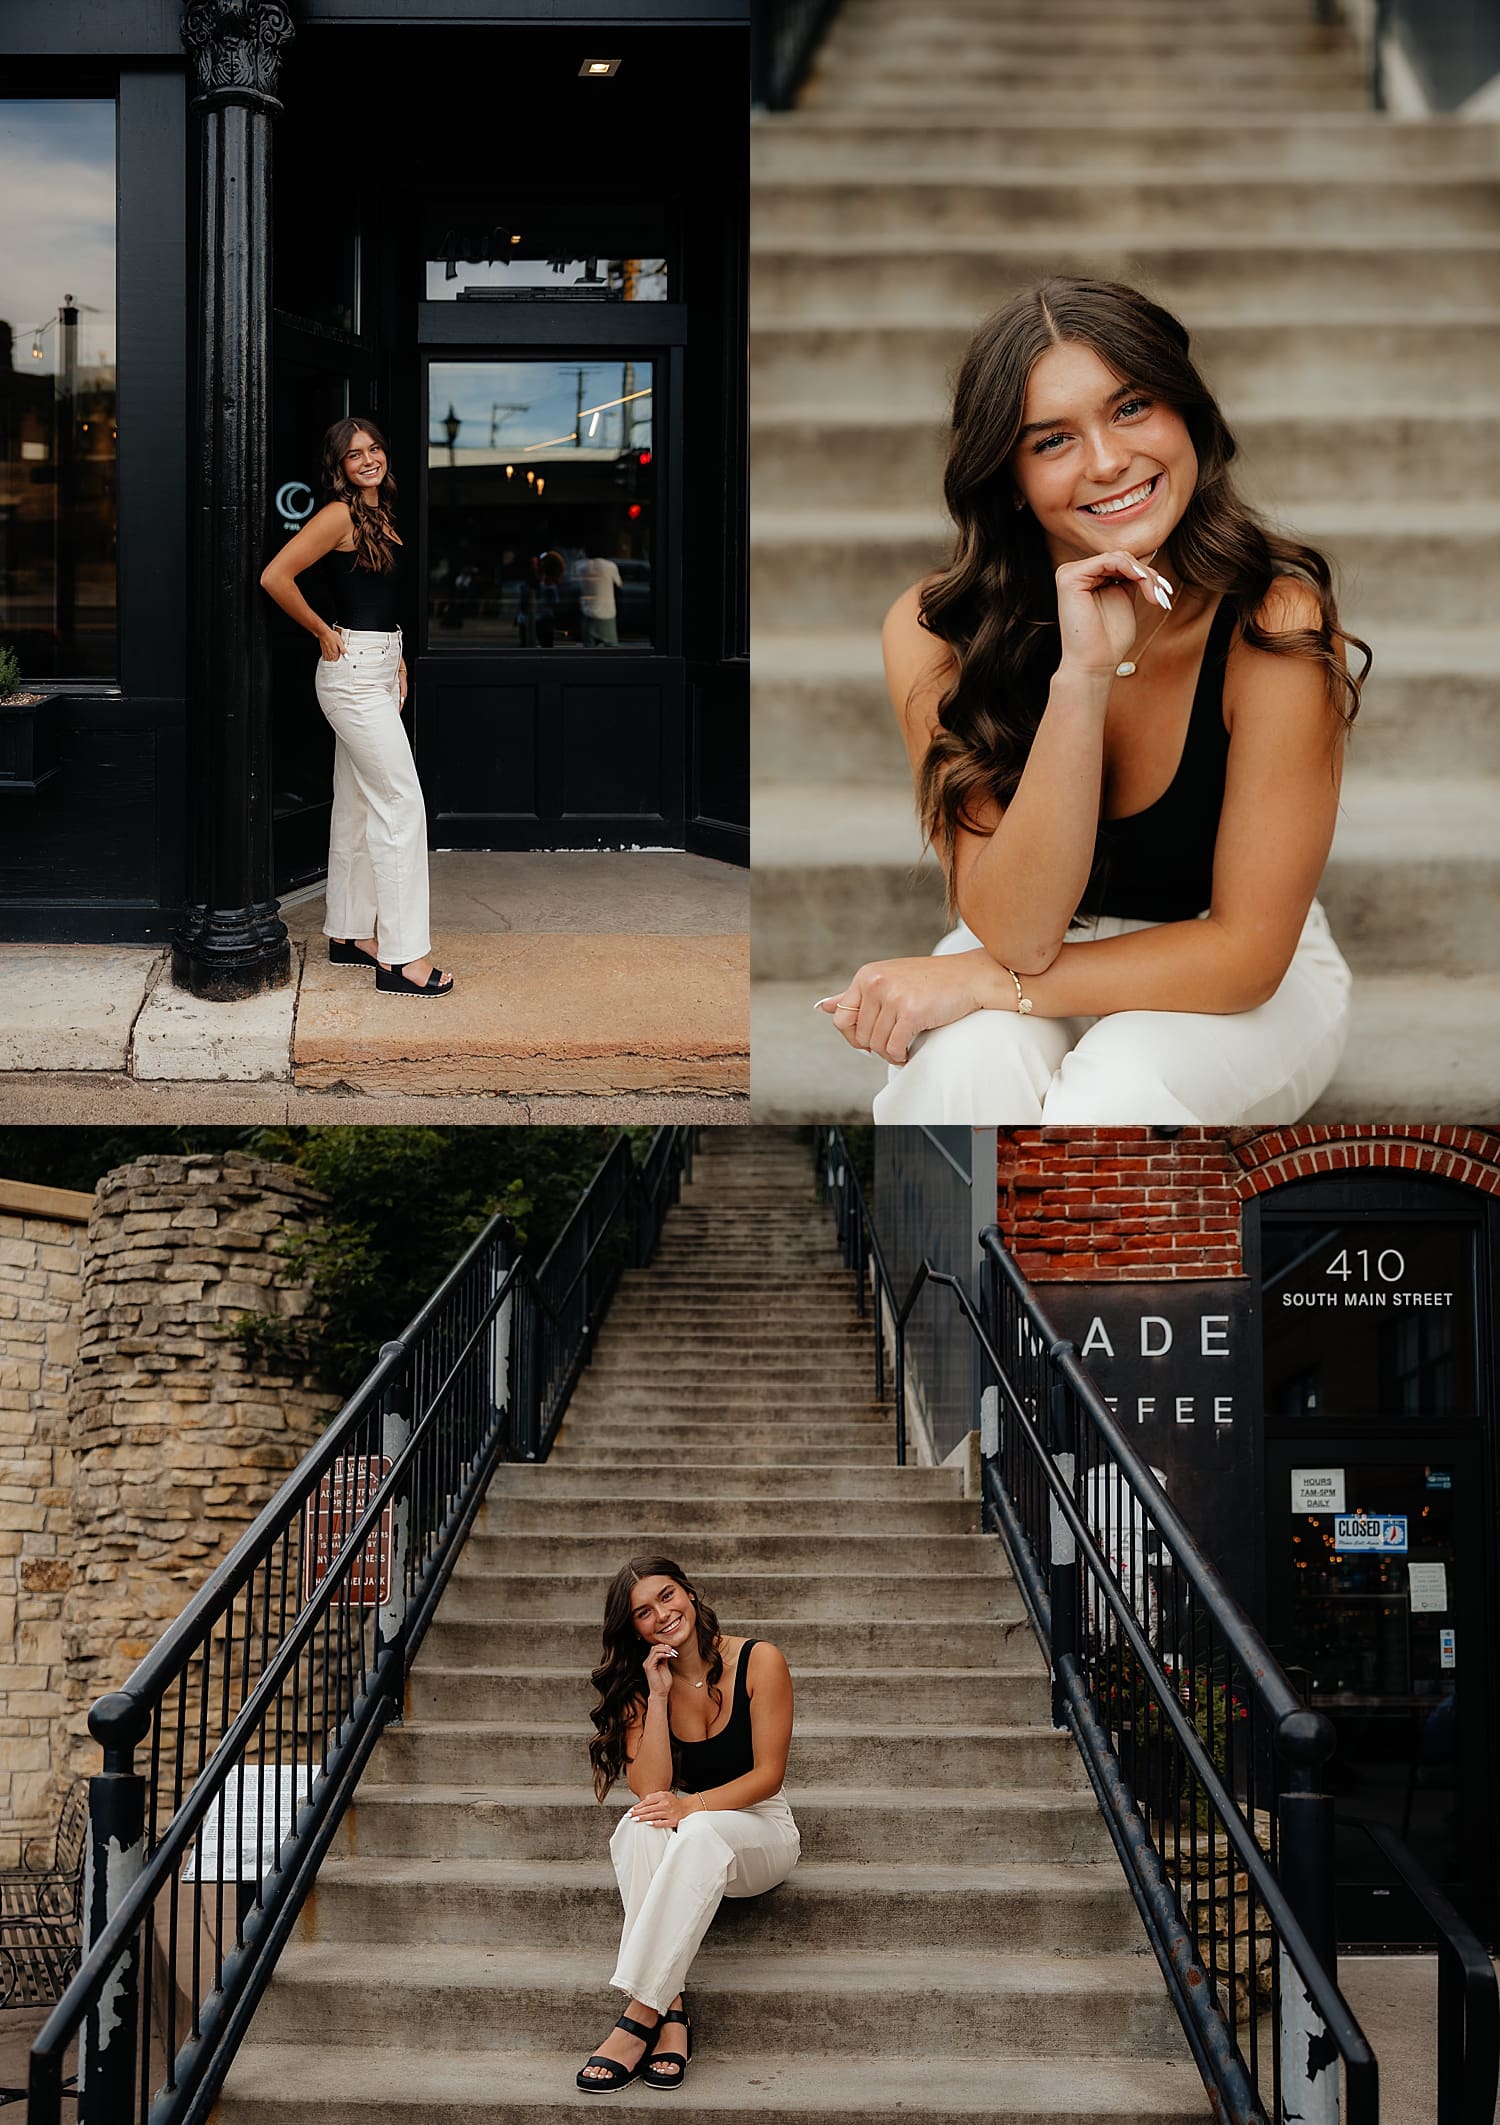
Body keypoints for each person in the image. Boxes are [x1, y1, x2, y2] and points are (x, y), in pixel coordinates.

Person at [815, 277, 1369, 1123]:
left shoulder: (1274, 622)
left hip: (1231, 970)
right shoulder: (936, 631)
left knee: (1115, 1089)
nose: (1107, 461)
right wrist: (1081, 677)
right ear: (1008, 477)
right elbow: (1019, 929)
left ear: (1187, 416)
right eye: (1051, 441)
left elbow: (1245, 952)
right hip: (1030, 943)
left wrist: (976, 978)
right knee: (956, 1071)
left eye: (1132, 407)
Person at [578, 1558, 798, 2093]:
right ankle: (672, 2013)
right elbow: (651, 1790)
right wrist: (655, 1696)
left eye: (668, 1595)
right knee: (637, 1825)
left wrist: (693, 1807)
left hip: (761, 1831)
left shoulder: (758, 1660)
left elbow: (768, 1776)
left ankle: (638, 2017)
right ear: (634, 1629)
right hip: (694, 1832)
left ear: (691, 1595)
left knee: (691, 1828)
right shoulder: (642, 1685)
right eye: (644, 1612)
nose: (663, 1614)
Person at [259, 416, 453, 996]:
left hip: (377, 666)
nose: (368, 459)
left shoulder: (378, 512)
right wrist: (320, 629)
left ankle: (348, 933)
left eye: (373, 449)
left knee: (358, 805)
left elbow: (377, 598)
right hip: (349, 676)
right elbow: (276, 576)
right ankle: (401, 958)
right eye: (353, 455)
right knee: (401, 804)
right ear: (338, 466)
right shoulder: (338, 514)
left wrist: (396, 656)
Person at [578, 552, 623, 645]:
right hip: (607, 613)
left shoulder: (582, 567)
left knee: (589, 650)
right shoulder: (610, 566)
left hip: (588, 613)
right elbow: (619, 585)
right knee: (611, 648)